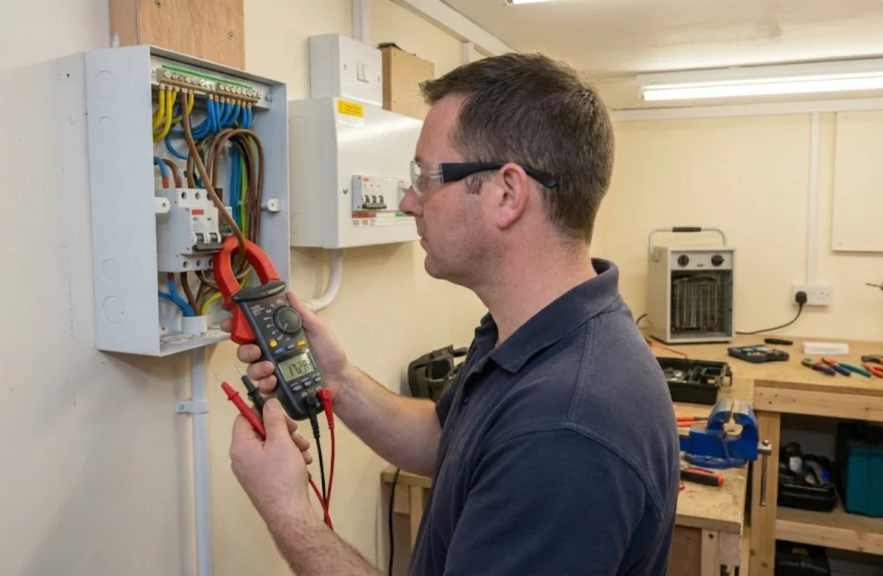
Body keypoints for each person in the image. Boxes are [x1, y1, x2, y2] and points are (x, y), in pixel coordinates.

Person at [224, 52, 680, 575]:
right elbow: (446, 441)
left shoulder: (563, 430)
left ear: (507, 194)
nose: (408, 201)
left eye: (425, 176)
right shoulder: (530, 335)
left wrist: (289, 514)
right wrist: (338, 379)